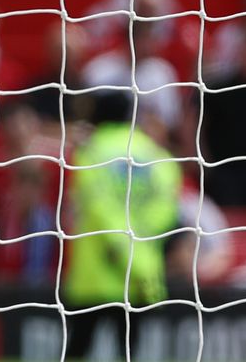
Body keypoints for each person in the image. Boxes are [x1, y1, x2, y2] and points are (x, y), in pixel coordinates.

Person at [64, 92, 182, 358]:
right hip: (139, 271)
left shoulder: (91, 152)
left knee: (77, 348)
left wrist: (117, 243)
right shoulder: (155, 154)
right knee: (129, 350)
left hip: (95, 270)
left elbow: (95, 205)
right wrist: (137, 235)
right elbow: (168, 207)